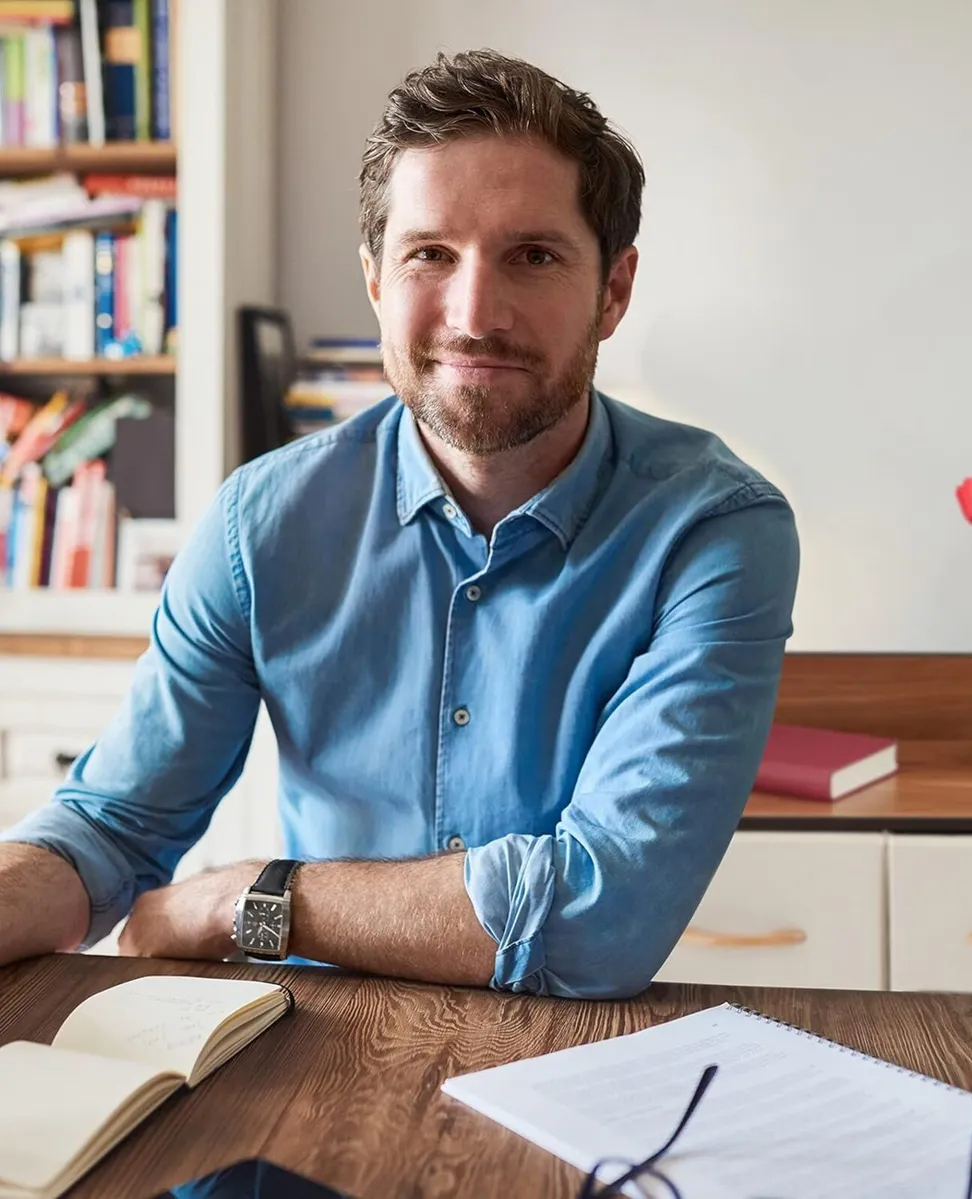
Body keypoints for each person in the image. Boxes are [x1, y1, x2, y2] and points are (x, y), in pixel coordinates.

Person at [0, 49, 799, 998]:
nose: (474, 314)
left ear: (613, 291)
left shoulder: (715, 529)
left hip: (580, 1064)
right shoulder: (262, 523)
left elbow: (600, 914)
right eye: (430, 254)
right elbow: (107, 831)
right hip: (313, 1056)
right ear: (377, 279)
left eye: (532, 256)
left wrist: (248, 900)